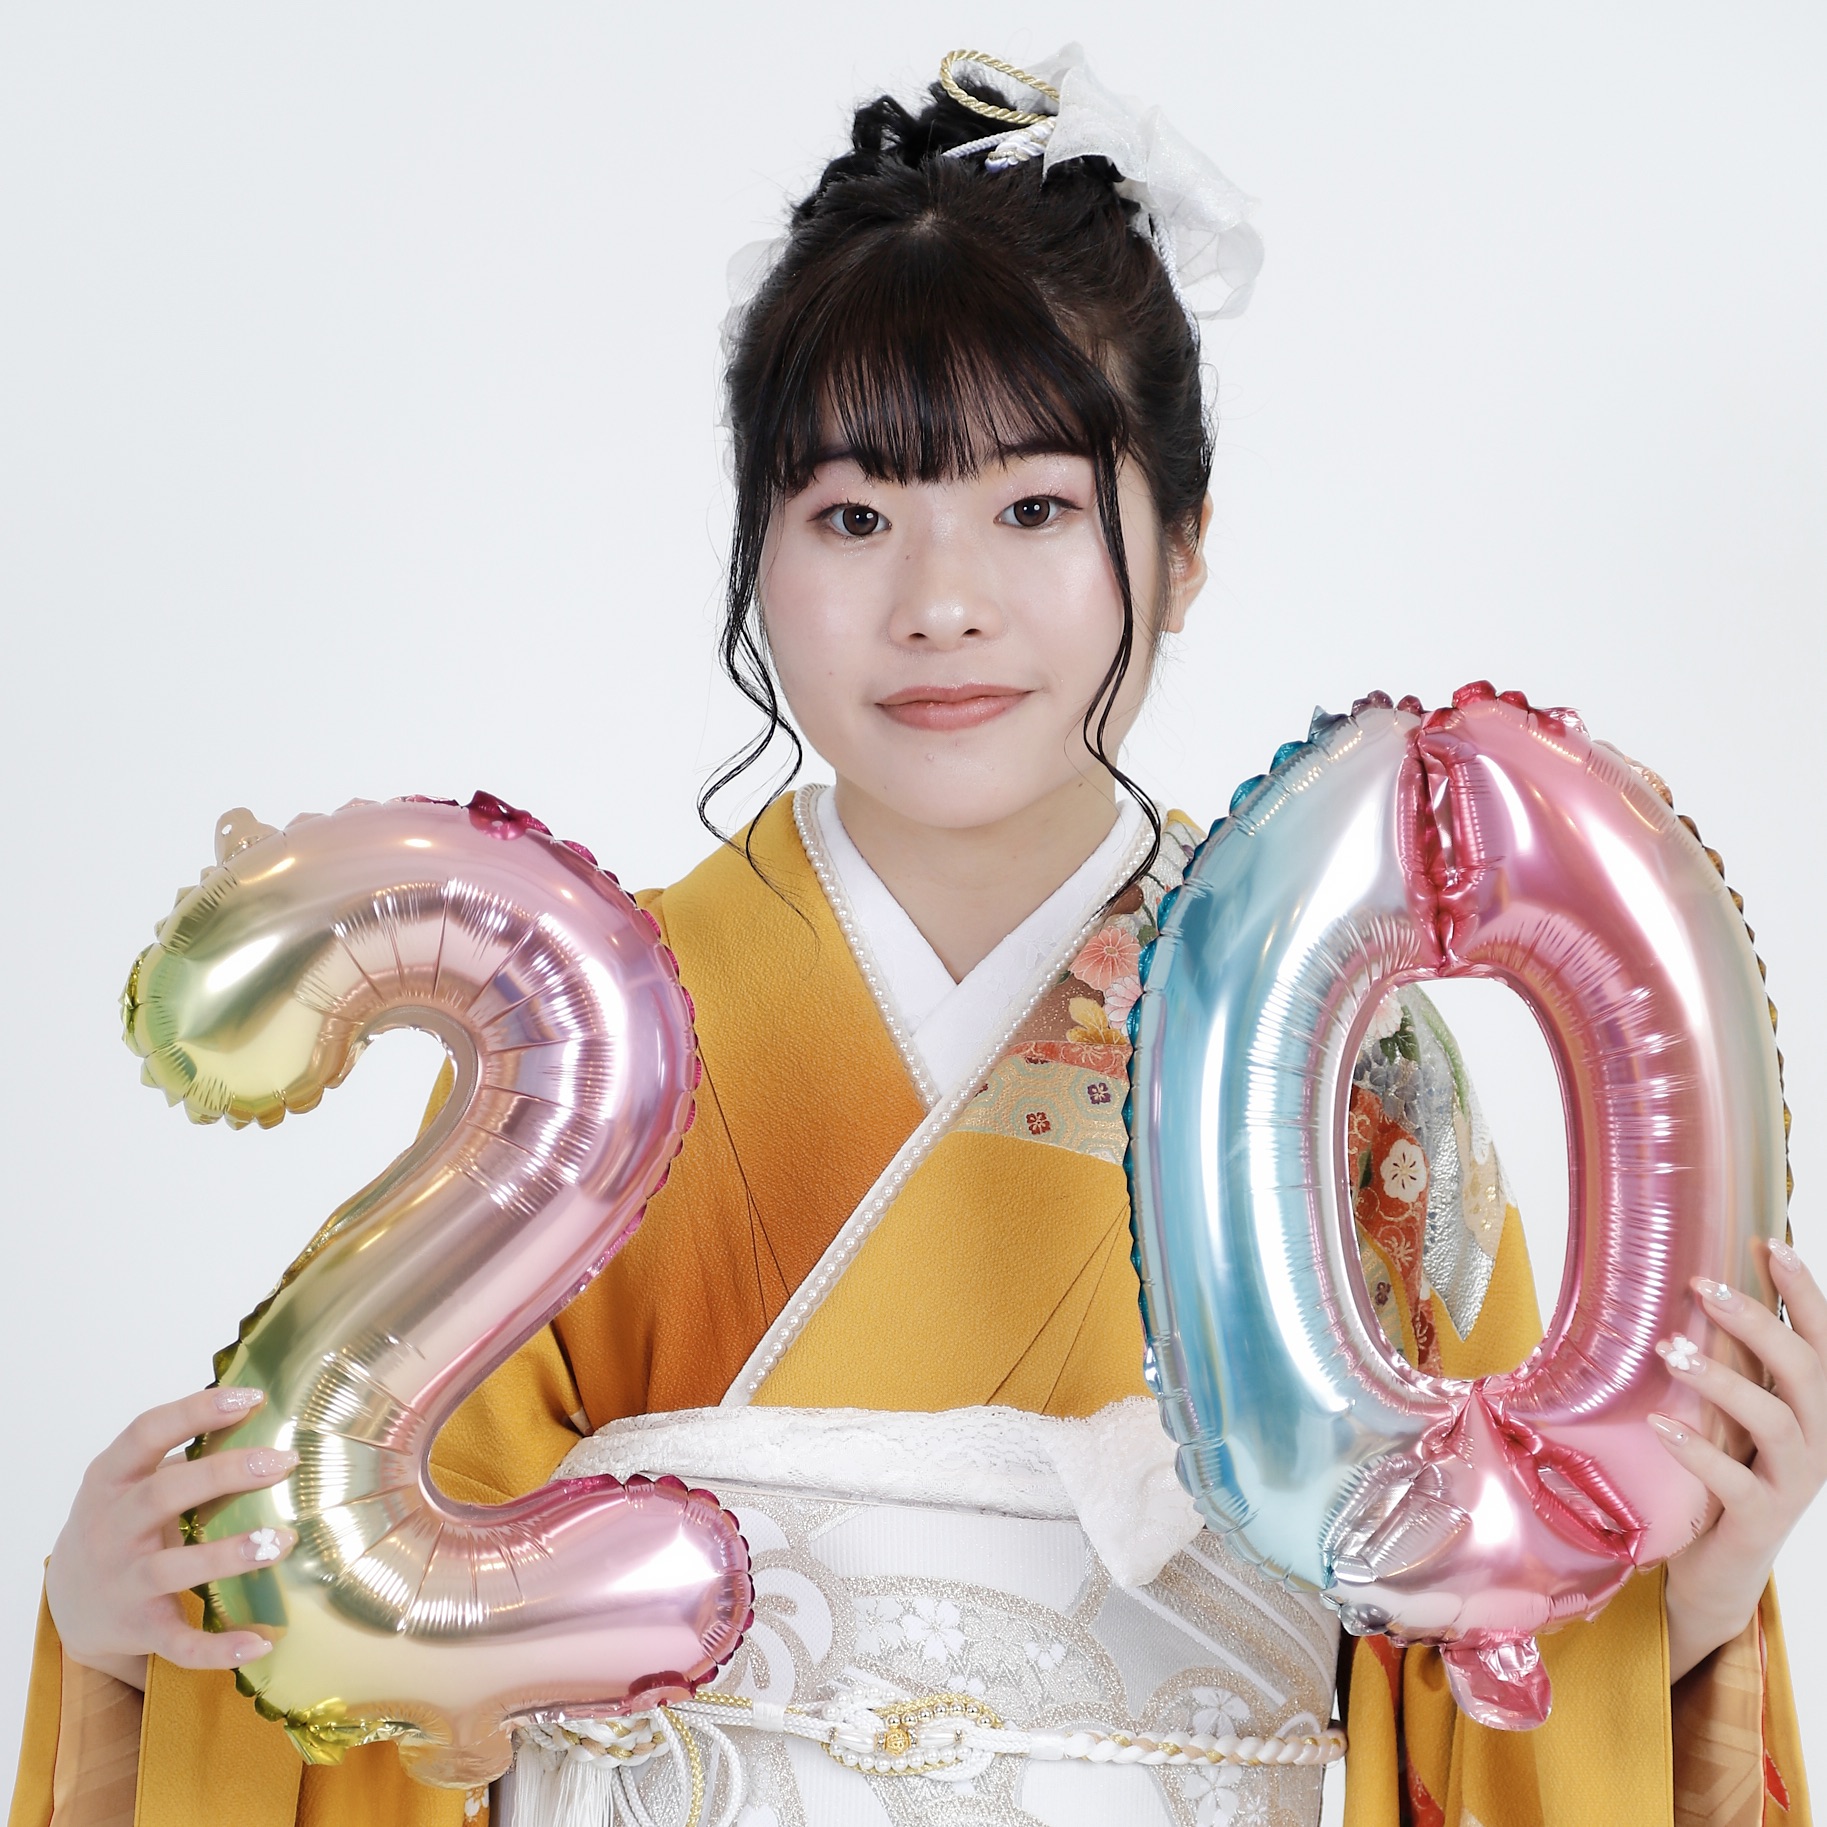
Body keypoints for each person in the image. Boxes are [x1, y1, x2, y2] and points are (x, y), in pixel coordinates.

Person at [14, 46, 1821, 1827]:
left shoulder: (1351, 1068)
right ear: (758, 553)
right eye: (855, 515)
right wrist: (132, 1633)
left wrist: (1688, 1609)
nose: (941, 603)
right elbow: (393, 1668)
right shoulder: (585, 1056)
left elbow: (1479, 1645)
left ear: (1182, 543)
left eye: (1033, 508)